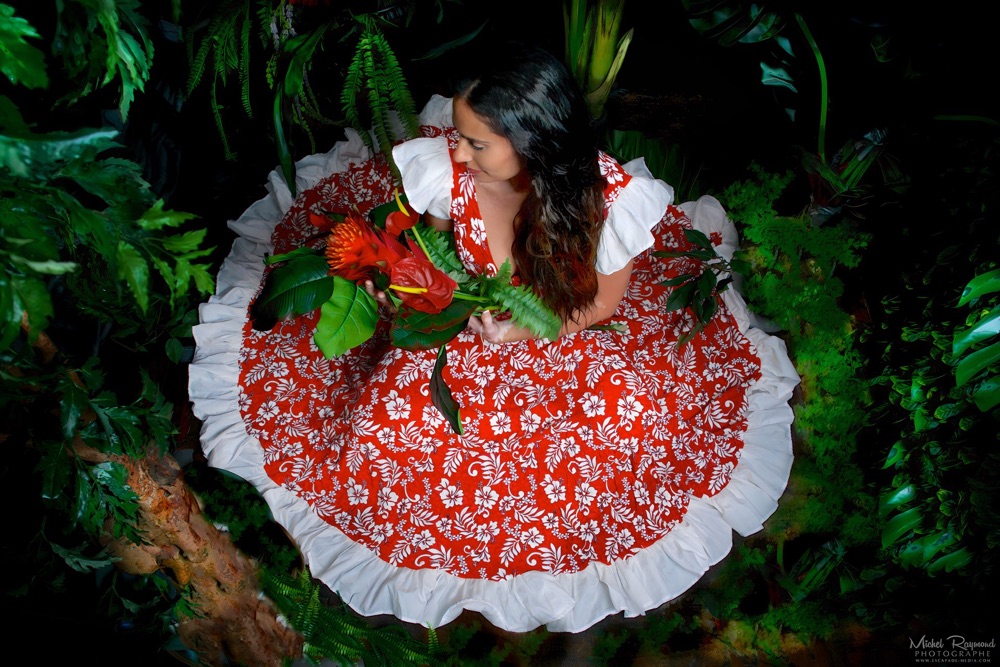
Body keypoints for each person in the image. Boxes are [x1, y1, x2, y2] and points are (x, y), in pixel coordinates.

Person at [189, 43, 799, 633]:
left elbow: (602, 304)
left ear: (532, 141)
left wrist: (524, 329)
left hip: (563, 325)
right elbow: (436, 253)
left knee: (626, 419)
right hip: (465, 325)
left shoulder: (608, 202)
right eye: (458, 136)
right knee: (391, 422)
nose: (457, 152)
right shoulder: (449, 173)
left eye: (476, 143)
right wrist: (411, 289)